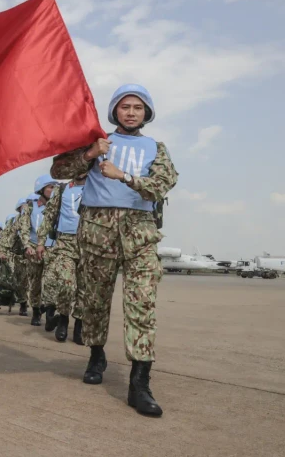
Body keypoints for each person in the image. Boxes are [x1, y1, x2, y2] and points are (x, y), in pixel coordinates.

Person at [51, 84, 177, 417]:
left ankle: (140, 383)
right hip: (97, 232)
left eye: (138, 107)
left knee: (142, 304)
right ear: (115, 112)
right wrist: (90, 155)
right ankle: (96, 354)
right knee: (94, 300)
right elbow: (58, 170)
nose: (131, 112)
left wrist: (125, 177)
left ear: (146, 113)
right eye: (125, 107)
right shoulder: (97, 141)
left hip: (140, 234)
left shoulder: (156, 148)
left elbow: (161, 185)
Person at [38, 174, 87, 343]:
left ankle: (79, 326)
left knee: (84, 288)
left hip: (89, 243)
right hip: (64, 241)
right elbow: (49, 215)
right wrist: (40, 242)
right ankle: (63, 319)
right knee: (66, 283)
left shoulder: (96, 185)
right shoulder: (62, 189)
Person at [18, 180, 57, 326]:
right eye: (50, 187)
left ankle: (50, 313)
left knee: (52, 281)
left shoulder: (57, 205)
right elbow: (24, 228)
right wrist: (27, 245)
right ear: (41, 190)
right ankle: (35, 311)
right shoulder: (30, 206)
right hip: (34, 248)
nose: (53, 190)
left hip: (52, 248)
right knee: (35, 283)